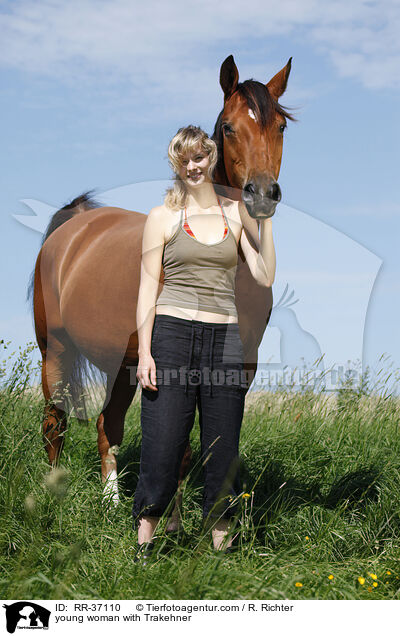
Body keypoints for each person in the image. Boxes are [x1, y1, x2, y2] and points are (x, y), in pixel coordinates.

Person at [133, 125, 276, 559]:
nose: (193, 166)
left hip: (224, 339)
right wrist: (144, 352)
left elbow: (265, 275)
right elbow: (146, 288)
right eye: (185, 159)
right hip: (172, 334)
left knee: (223, 447)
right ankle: (145, 547)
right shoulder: (162, 217)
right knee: (163, 441)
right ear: (176, 164)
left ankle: (223, 553)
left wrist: (265, 223)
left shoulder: (236, 214)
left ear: (210, 159)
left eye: (200, 157)